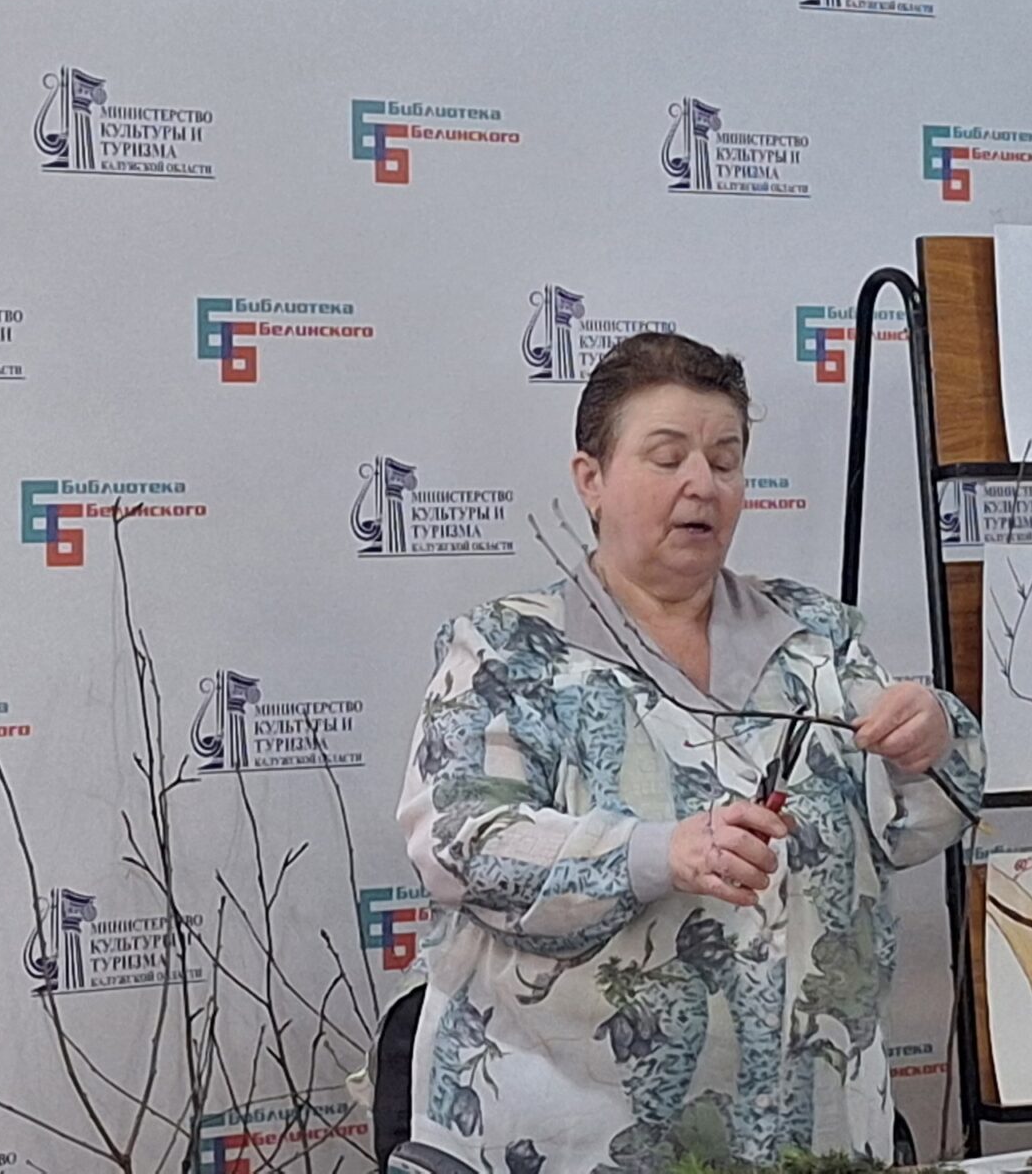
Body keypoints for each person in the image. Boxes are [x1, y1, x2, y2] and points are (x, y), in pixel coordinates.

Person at [397, 331, 984, 1174]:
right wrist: (657, 852)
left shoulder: (814, 638)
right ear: (591, 479)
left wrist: (929, 737)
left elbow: (918, 821)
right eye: (667, 458)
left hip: (810, 1134)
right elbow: (462, 844)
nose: (702, 484)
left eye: (725, 459)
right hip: (573, 1140)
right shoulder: (507, 651)